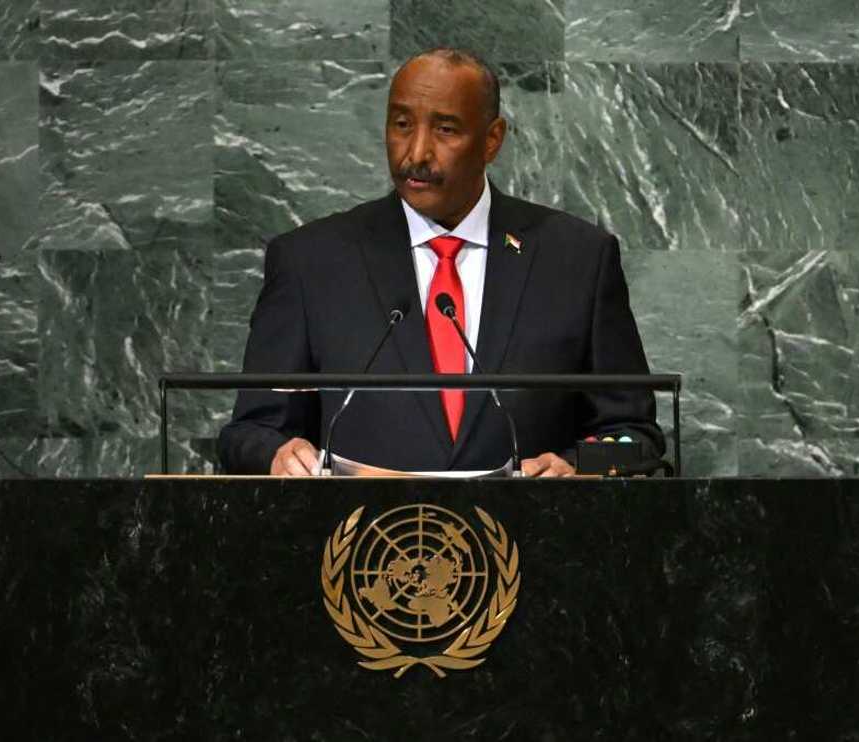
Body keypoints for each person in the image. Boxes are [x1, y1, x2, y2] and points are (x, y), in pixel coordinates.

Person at [218, 48, 663, 477]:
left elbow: (635, 439)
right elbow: (250, 432)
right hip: (365, 546)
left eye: (446, 130)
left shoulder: (577, 259)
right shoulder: (311, 261)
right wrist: (276, 454)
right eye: (401, 124)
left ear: (492, 140)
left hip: (533, 541)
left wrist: (577, 467)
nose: (416, 154)